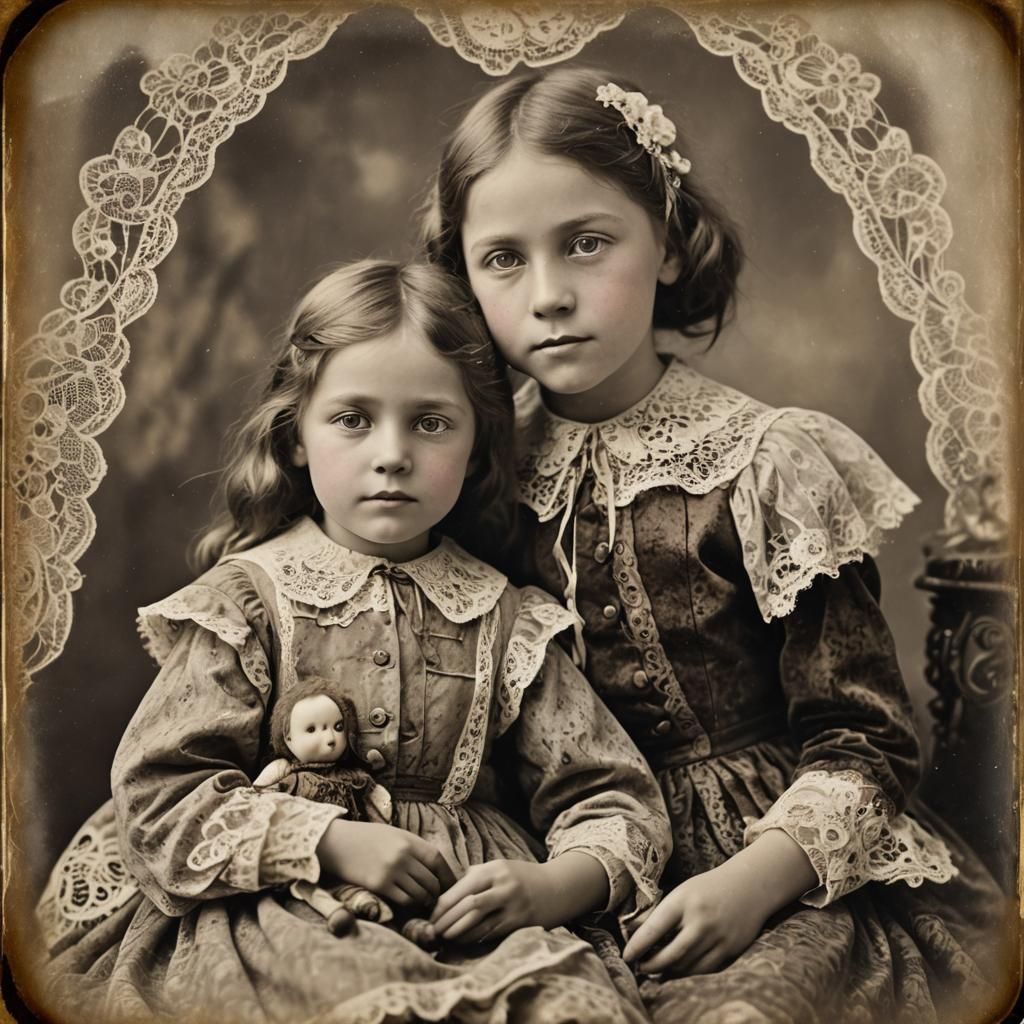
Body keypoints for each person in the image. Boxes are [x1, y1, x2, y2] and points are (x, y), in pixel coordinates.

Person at [423, 66, 1007, 1024]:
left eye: (585, 244)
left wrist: (751, 886)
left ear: (663, 240)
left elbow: (868, 740)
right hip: (546, 852)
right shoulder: (470, 464)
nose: (549, 296)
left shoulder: (766, 462)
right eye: (503, 260)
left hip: (759, 863)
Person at [34, 259, 672, 1024]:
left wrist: (551, 886)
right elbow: (159, 795)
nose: (393, 453)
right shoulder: (251, 602)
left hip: (470, 917)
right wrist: (330, 841)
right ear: (296, 436)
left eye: (431, 422)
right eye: (354, 419)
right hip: (288, 908)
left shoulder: (505, 618)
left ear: (475, 447)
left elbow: (611, 793)